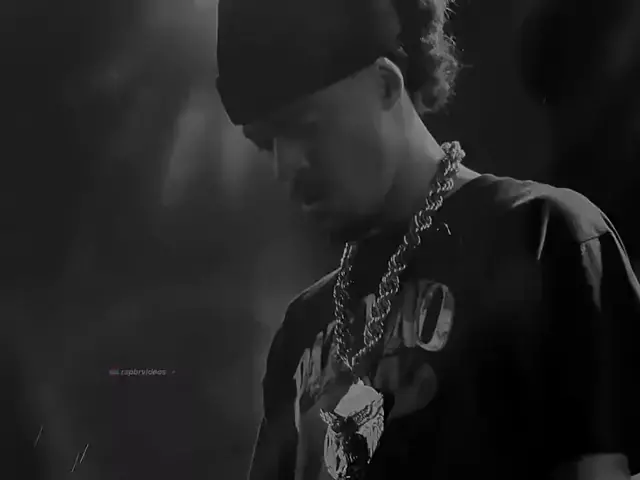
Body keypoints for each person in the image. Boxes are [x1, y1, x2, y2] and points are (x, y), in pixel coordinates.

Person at [215, 0, 640, 479]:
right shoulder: (300, 329)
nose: (285, 166)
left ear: (385, 84)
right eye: (265, 143)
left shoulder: (543, 236)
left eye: (305, 128)